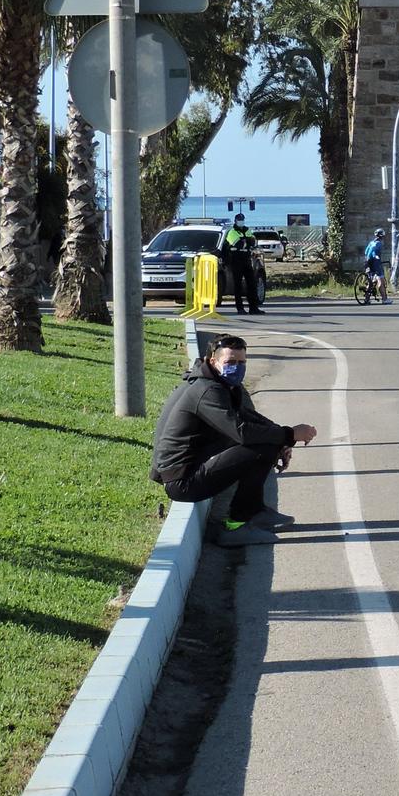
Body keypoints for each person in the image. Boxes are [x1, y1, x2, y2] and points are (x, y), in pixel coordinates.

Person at [151, 334, 317, 548]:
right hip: (183, 482)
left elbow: (250, 418)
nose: (237, 367)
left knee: (268, 441)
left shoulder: (220, 384)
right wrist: (289, 434)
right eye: (230, 362)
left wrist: (284, 438)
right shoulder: (207, 391)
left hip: (189, 470)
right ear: (213, 361)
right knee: (262, 446)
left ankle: (255, 511)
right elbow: (242, 432)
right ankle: (236, 526)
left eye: (242, 362)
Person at [218, 213, 261, 315]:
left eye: (242, 219)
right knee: (238, 285)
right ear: (236, 220)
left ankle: (253, 308)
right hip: (236, 260)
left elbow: (252, 241)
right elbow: (238, 243)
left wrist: (246, 242)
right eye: (239, 219)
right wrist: (246, 242)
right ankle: (240, 308)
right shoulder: (232, 232)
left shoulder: (247, 230)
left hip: (246, 259)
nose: (241, 221)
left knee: (252, 284)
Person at [361, 226, 387, 301]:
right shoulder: (379, 243)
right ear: (382, 236)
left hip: (367, 261)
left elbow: (366, 252)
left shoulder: (371, 242)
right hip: (375, 262)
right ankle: (384, 299)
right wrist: (376, 257)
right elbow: (374, 252)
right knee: (380, 279)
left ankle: (367, 299)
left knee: (370, 279)